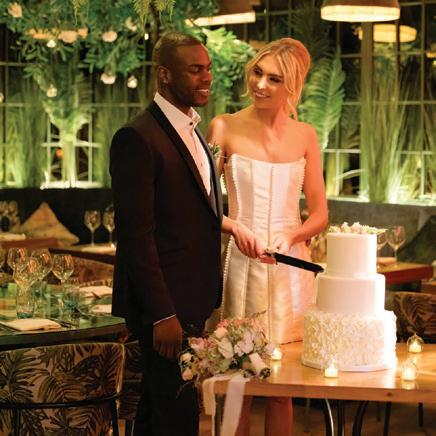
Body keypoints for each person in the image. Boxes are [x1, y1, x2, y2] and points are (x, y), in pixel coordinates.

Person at [207, 37, 328, 436]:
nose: (260, 84)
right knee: (237, 382)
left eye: (274, 79)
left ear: (292, 86)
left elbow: (320, 214)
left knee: (281, 387)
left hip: (290, 269)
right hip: (241, 265)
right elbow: (199, 202)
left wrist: (291, 235)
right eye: (257, 72)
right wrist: (235, 227)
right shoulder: (223, 126)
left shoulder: (306, 135)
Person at [110, 31, 223, 436]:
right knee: (177, 416)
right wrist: (162, 313)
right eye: (195, 70)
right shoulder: (137, 137)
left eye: (208, 68)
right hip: (164, 310)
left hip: (193, 300)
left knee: (159, 413)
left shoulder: (193, 131)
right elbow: (136, 236)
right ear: (164, 74)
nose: (206, 78)